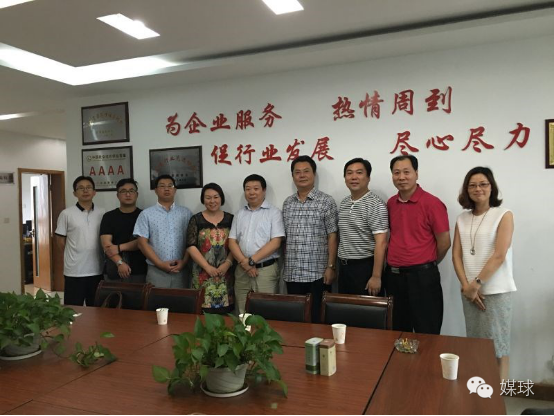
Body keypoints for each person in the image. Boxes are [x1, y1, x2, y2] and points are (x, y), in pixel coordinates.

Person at [452, 167, 516, 381]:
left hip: (495, 292)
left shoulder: (503, 215)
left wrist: (475, 284)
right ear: (466, 190)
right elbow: (456, 255)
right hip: (469, 293)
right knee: (476, 345)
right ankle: (480, 392)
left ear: (491, 187)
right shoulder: (462, 218)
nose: (477, 189)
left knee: (498, 348)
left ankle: (498, 396)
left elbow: (499, 255)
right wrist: (466, 286)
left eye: (483, 184)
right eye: (472, 185)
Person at [385, 155, 451, 334]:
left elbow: (444, 242)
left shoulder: (432, 203)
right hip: (394, 277)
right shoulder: (391, 203)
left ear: (416, 173)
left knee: (427, 331)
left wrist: (426, 263)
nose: (401, 177)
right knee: (397, 331)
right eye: (396, 173)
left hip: (423, 278)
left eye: (407, 172)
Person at [283, 156, 338, 323]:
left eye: (306, 171)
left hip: (318, 274)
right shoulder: (288, 203)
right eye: (297, 172)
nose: (302, 175)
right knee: (295, 321)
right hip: (292, 274)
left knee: (318, 320)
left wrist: (331, 267)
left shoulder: (326, 201)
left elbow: (333, 235)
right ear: (293, 176)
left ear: (314, 174)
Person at [229, 174, 285, 315]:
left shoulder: (274, 213)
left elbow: (276, 242)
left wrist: (251, 261)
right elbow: (232, 241)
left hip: (265, 270)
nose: (251, 192)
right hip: (242, 269)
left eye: (256, 188)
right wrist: (245, 263)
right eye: (248, 189)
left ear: (264, 190)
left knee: (266, 311)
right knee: (242, 311)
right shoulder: (239, 214)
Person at [338, 158, 388, 296]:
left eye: (359, 172)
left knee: (365, 308)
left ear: (368, 177)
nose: (354, 177)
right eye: (349, 173)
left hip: (365, 268)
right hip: (344, 267)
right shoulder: (344, 203)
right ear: (345, 178)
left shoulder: (375, 204)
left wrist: (376, 276)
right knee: (344, 307)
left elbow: (381, 242)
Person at [134, 175, 192, 288]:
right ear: (155, 190)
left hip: (181, 270)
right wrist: (160, 264)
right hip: (156, 271)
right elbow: (142, 244)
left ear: (175, 190)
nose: (166, 189)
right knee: (156, 299)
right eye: (162, 186)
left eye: (170, 186)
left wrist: (184, 262)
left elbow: (191, 241)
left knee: (182, 299)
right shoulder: (146, 214)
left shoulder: (186, 213)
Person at [55, 176, 105, 306]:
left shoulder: (102, 213)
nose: (85, 191)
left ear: (94, 192)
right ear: (74, 193)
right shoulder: (66, 214)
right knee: (73, 309)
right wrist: (73, 254)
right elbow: (60, 240)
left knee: (96, 310)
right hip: (74, 271)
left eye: (88, 188)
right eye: (81, 188)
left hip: (97, 269)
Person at [186, 183, 235, 314]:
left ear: (221, 198)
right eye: (208, 197)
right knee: (203, 312)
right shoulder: (196, 219)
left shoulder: (231, 219)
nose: (212, 201)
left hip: (226, 273)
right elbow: (190, 246)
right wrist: (207, 267)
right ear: (203, 199)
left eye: (216, 197)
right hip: (202, 273)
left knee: (226, 314)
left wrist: (227, 264)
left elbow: (235, 244)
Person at [100, 179, 147, 283]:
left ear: (137, 194)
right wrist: (120, 263)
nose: (128, 194)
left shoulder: (145, 215)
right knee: (112, 294)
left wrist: (118, 247)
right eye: (123, 191)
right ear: (117, 195)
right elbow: (106, 245)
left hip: (140, 270)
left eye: (131, 191)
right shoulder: (108, 217)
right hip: (114, 269)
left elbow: (144, 242)